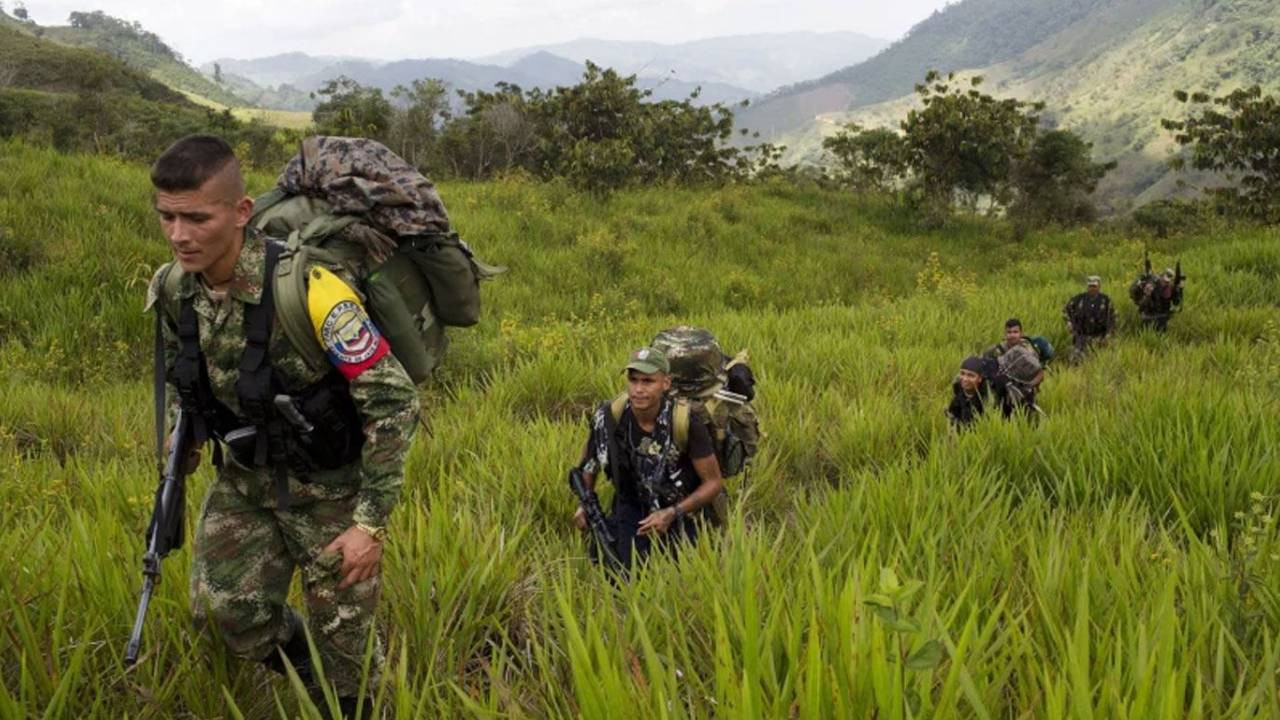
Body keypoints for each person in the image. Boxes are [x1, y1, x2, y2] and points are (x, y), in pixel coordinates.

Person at [144, 135, 419, 718]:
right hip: (246, 482)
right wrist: (182, 432)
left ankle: (342, 692)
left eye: (196, 218)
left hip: (331, 492)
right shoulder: (173, 288)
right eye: (167, 217)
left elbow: (394, 401)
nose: (179, 235)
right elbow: (183, 374)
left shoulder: (310, 289)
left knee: (347, 662)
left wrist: (370, 523)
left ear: (241, 212)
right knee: (223, 614)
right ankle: (307, 668)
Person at [573, 347, 726, 568]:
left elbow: (713, 482)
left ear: (666, 383)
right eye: (633, 380)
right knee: (616, 567)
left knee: (686, 569)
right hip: (631, 503)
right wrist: (584, 504)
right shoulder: (609, 416)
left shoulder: (684, 422)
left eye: (648, 381)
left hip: (679, 507)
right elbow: (590, 463)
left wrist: (672, 513)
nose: (638, 389)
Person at [982, 318, 1044, 416]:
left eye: (1015, 332)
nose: (1012, 335)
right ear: (1004, 334)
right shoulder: (995, 350)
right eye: (1009, 332)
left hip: (1024, 391)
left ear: (1021, 334)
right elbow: (982, 368)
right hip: (1000, 392)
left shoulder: (1029, 351)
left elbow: (1040, 373)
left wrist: (1028, 386)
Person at [1063, 276, 1116, 362]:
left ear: (1099, 286)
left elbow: (1113, 319)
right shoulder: (1079, 299)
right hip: (1081, 337)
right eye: (1090, 286)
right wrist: (1069, 324)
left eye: (1094, 286)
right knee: (1074, 359)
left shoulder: (1106, 300)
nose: (1092, 289)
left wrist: (1108, 335)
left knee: (1103, 359)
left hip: (1100, 337)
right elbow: (1066, 310)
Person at [946, 356, 996, 430]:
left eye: (971, 375)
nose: (965, 379)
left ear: (980, 378)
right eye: (962, 373)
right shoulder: (958, 386)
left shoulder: (988, 396)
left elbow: (989, 425)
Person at [1130, 267, 1183, 332]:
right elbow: (1141, 306)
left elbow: (1176, 303)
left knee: (1161, 333)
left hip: (1162, 318)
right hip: (1148, 317)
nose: (1166, 283)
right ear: (1161, 277)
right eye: (1164, 281)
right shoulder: (1152, 285)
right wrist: (1147, 295)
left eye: (1168, 282)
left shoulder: (1171, 289)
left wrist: (1180, 291)